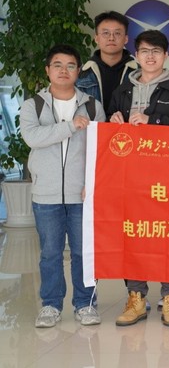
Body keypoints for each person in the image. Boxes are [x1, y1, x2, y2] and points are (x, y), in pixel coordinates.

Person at [109, 30, 169, 327]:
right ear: (136, 55)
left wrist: (154, 121)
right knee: (134, 236)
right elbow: (111, 135)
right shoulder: (122, 91)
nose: (150, 56)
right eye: (145, 51)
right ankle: (136, 298)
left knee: (168, 237)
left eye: (156, 51)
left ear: (166, 55)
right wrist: (113, 121)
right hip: (131, 176)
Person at [20, 45, 105, 328]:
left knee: (83, 253)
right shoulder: (33, 105)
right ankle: (51, 305)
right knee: (50, 253)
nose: (64, 71)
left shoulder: (92, 105)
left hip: (82, 194)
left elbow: (101, 151)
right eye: (57, 65)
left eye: (70, 66)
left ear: (78, 71)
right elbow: (33, 137)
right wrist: (70, 126)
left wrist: (93, 184)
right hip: (46, 194)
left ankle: (85, 304)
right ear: (48, 70)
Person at [76, 10, 137, 114]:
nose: (111, 38)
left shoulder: (139, 73)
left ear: (126, 39)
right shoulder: (81, 74)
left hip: (128, 125)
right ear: (96, 38)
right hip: (91, 125)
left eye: (117, 33)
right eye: (105, 33)